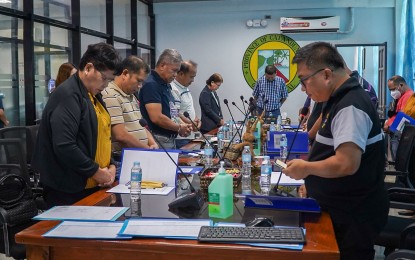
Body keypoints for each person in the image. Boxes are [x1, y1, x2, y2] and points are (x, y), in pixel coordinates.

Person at [285, 42, 389, 260]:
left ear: (326, 74)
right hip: (340, 209)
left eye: (304, 80)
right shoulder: (337, 100)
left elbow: (346, 163)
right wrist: (311, 182)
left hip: (352, 216)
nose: (303, 88)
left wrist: (307, 169)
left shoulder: (350, 105)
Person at [32, 42, 121, 208]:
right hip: (68, 189)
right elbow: (64, 145)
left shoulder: (92, 94)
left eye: (110, 80)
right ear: (88, 68)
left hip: (94, 184)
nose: (106, 85)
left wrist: (111, 166)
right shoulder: (68, 95)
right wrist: (96, 171)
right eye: (104, 78)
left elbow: (102, 135)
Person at [102, 55, 158, 153]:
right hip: (122, 157)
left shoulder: (131, 95)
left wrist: (153, 143)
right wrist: (147, 150)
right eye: (139, 81)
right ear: (125, 73)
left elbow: (142, 125)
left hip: (139, 152)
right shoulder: (110, 95)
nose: (140, 86)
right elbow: (120, 135)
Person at [139, 49, 192, 149]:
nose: (176, 75)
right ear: (162, 65)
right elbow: (156, 117)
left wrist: (183, 125)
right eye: (174, 70)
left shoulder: (165, 84)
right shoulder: (152, 84)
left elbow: (172, 112)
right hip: (159, 140)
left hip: (169, 139)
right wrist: (179, 127)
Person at [171, 60, 201, 148]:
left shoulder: (185, 87)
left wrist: (196, 120)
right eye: (191, 77)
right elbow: (175, 113)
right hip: (180, 137)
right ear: (180, 74)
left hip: (189, 135)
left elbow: (188, 108)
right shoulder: (174, 89)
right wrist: (191, 123)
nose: (193, 80)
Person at [383, 75, 413, 161]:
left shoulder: (408, 96)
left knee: (401, 163)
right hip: (398, 134)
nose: (392, 92)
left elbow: (403, 118)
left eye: (393, 89)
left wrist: (389, 127)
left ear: (401, 85)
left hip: (402, 136)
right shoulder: (401, 97)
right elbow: (396, 115)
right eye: (390, 90)